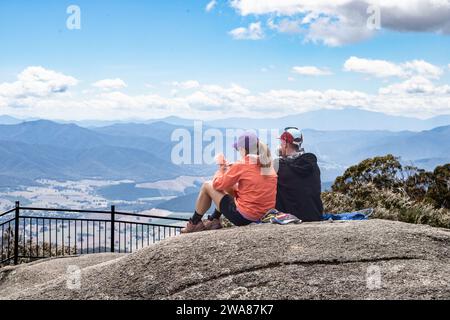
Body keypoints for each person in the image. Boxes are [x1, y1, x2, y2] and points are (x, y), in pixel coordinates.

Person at [181, 131, 278, 233]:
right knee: (230, 188)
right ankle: (214, 220)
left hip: (244, 218)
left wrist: (222, 169)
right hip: (265, 214)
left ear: (243, 149)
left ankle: (195, 223)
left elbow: (217, 184)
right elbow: (253, 186)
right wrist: (233, 171)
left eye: (238, 149)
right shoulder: (267, 163)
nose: (238, 152)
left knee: (207, 185)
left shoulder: (242, 164)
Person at [275, 127, 323, 222]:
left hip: (291, 217)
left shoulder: (280, 167)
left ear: (285, 144)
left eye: (281, 142)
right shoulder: (312, 164)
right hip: (314, 215)